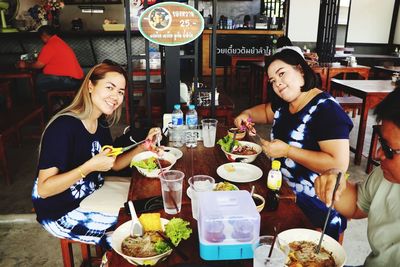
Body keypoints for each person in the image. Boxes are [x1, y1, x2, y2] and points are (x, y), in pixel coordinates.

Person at [31, 61, 161, 249]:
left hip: (93, 191)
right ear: (90, 86)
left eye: (121, 92)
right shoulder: (63, 127)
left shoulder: (100, 123)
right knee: (138, 238)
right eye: (110, 87)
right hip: (61, 210)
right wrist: (89, 167)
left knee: (153, 206)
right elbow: (44, 189)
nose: (116, 96)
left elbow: (113, 164)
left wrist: (143, 147)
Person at [234, 49, 353, 241]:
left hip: (317, 209)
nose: (277, 83)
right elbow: (265, 112)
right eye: (272, 80)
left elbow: (338, 164)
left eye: (282, 73)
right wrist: (245, 115)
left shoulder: (326, 109)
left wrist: (288, 151)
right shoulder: (286, 104)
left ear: (301, 71)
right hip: (285, 197)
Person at [315, 89, 400, 266]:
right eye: (381, 143)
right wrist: (334, 180)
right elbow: (356, 205)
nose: (378, 154)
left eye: (389, 150)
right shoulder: (386, 176)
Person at [17, 25, 84, 106]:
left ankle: (43, 109)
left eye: (41, 37)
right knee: (42, 78)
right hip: (75, 80)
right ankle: (57, 103)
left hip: (69, 81)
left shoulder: (50, 45)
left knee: (39, 80)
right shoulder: (58, 41)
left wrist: (25, 65)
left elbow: (39, 65)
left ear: (44, 36)